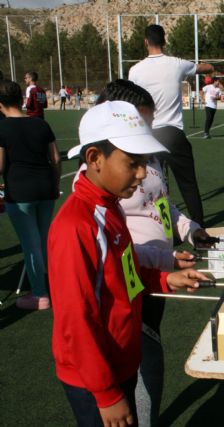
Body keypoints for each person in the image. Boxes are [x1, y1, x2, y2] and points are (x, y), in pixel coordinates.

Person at [48, 100, 208, 427]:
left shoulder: (112, 206)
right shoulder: (75, 227)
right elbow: (75, 321)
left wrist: (164, 280)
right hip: (95, 379)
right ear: (94, 158)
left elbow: (127, 273)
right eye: (132, 164)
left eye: (144, 163)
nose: (140, 174)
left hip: (120, 362)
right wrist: (106, 394)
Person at [129, 24, 214, 226]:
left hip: (149, 136)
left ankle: (162, 230)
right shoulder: (177, 64)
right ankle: (199, 228)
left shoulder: (136, 70)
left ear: (146, 42)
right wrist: (208, 66)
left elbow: (132, 102)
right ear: (164, 41)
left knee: (155, 187)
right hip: (173, 134)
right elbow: (204, 68)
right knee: (188, 185)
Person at [0, 80, 60, 310]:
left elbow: (0, 165)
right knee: (44, 240)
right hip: (45, 188)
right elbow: (55, 159)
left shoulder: (3, 128)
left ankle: (40, 294)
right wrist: (54, 185)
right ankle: (53, 285)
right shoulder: (40, 125)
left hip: (20, 191)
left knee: (31, 244)